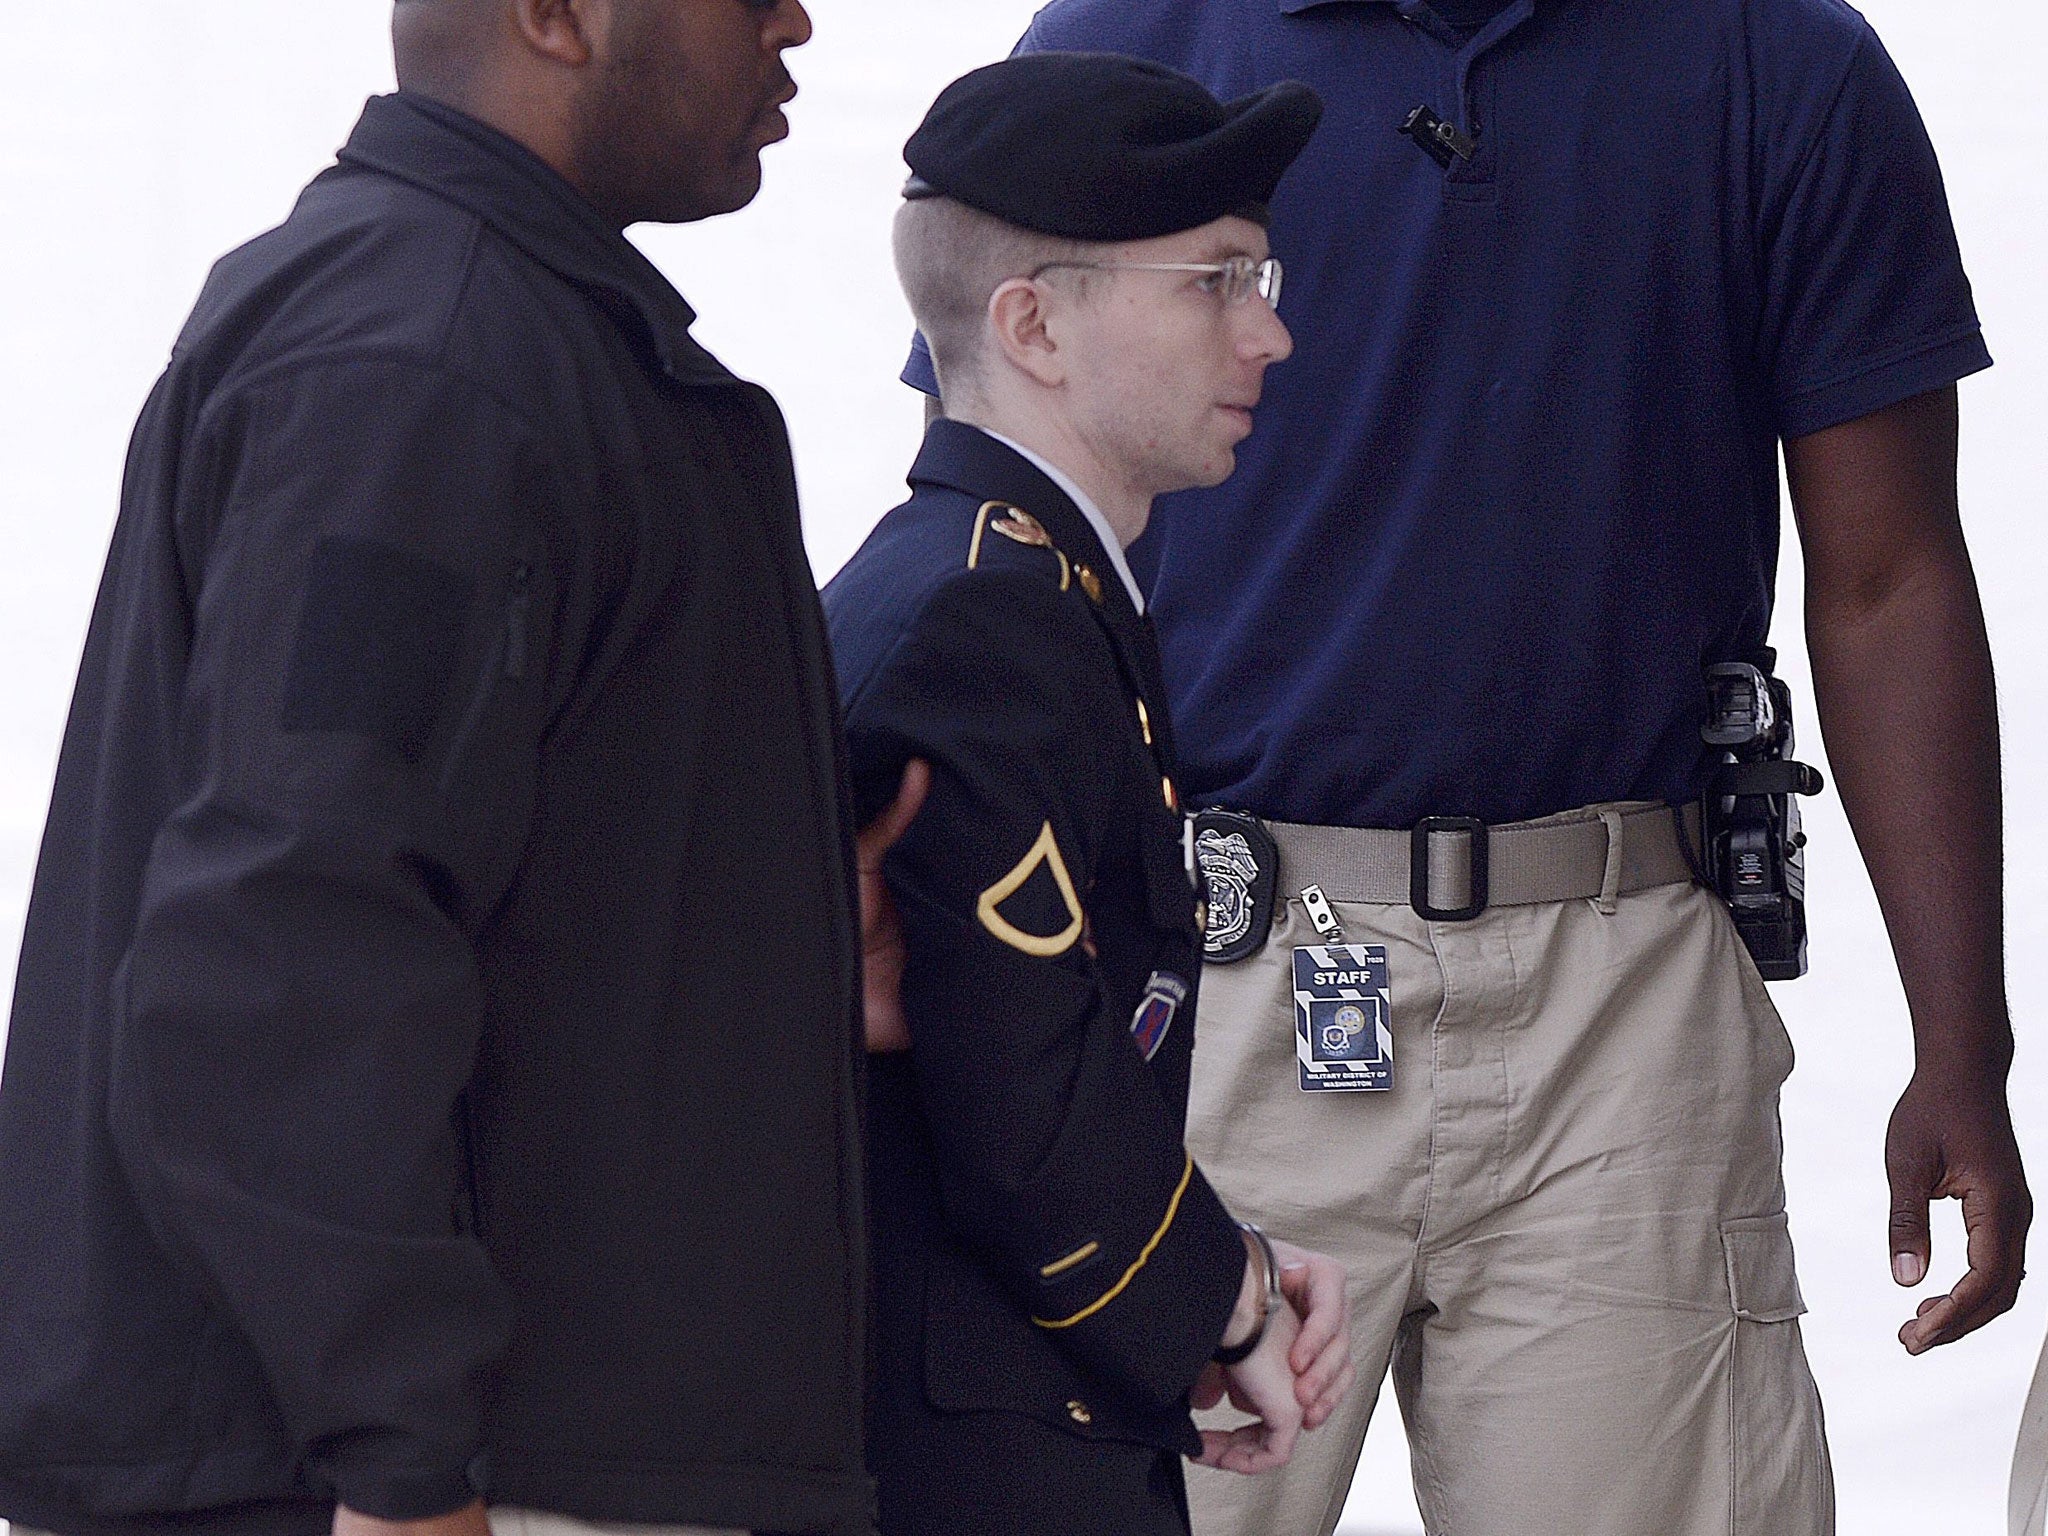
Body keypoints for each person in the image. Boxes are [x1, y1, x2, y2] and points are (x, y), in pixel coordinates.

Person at [903, 3, 2032, 1534]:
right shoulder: (1130, 32)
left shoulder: (1779, 55)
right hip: (1206, 980)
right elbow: (998, 524)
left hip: (1622, 1008)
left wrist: (1962, 1043)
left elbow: (1892, 574)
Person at [0, 3, 922, 1536]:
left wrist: (759, 940)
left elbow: (420, 854)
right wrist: (403, 1453)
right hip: (420, 1483)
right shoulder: (425, 365)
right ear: (555, 13)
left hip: (497, 1456)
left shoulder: (497, 335)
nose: (797, 18)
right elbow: (283, 942)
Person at [826, 54, 1355, 1536]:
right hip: (969, 1460)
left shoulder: (1004, 591)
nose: (1273, 331)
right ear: (1033, 325)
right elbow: (1023, 1101)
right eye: (1216, 282)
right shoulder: (984, 629)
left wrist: (1212, 1269)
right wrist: (1228, 1301)